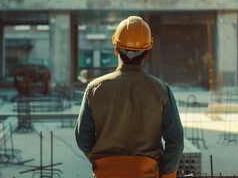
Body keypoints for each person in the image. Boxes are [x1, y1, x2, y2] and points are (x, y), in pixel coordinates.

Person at [75, 16, 184, 178]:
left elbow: (83, 139)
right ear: (146, 53)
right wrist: (166, 172)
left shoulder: (94, 89)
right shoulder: (161, 90)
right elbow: (176, 142)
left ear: (116, 50)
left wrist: (102, 162)